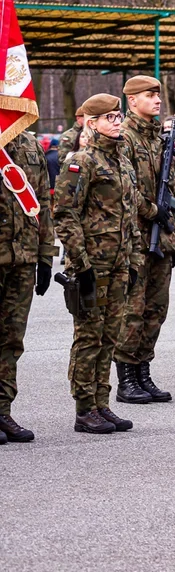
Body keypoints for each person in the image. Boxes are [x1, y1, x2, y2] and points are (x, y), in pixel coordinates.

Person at [53, 93, 141, 434]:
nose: (117, 122)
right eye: (109, 118)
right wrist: (81, 263)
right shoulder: (81, 161)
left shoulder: (123, 162)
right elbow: (64, 212)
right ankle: (84, 408)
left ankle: (102, 404)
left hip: (119, 263)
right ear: (92, 123)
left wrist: (133, 261)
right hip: (92, 263)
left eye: (118, 116)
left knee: (110, 335)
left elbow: (130, 217)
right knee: (89, 336)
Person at [113, 75, 175, 405]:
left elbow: (172, 188)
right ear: (132, 101)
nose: (157, 100)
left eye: (158, 94)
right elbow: (126, 189)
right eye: (149, 95)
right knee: (133, 309)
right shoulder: (124, 138)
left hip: (161, 238)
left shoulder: (157, 138)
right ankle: (126, 377)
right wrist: (154, 212)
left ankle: (143, 370)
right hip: (136, 238)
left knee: (156, 308)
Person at [0, 126, 56, 442]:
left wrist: (46, 256)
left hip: (23, 257)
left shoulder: (32, 146)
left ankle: (3, 411)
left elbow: (42, 206)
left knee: (11, 339)